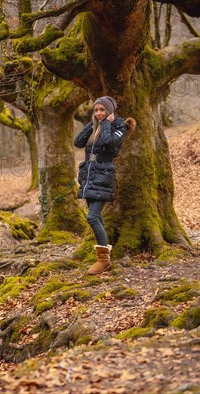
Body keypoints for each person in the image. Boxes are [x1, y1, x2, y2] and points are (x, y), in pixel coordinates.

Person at [74, 96, 136, 274]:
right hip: (89, 175)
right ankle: (103, 256)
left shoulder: (120, 126)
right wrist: (94, 123)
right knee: (97, 217)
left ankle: (103, 260)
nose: (99, 113)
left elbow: (110, 143)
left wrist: (106, 123)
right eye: (96, 110)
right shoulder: (97, 124)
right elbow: (78, 142)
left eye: (103, 110)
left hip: (103, 175)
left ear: (111, 111)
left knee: (92, 217)